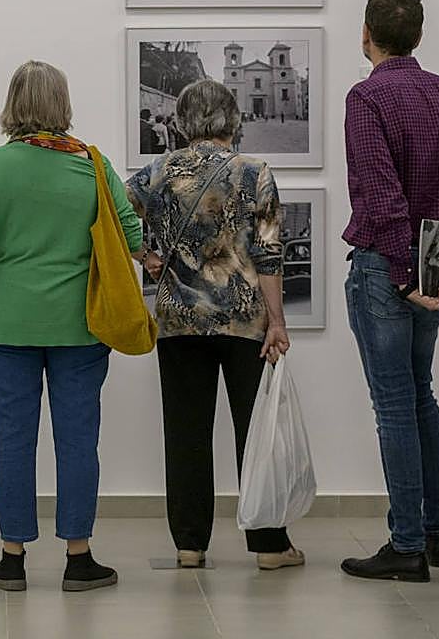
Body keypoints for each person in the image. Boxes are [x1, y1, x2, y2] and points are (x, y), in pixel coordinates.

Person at [0, 61, 144, 593]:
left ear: (12, 103)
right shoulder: (93, 163)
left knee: (12, 438)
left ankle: (12, 558)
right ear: (63, 104)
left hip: (7, 323)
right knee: (79, 439)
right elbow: (130, 233)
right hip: (81, 326)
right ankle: (78, 557)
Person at [340, 0, 439, 583]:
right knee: (422, 394)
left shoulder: (367, 98)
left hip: (387, 271)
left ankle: (406, 545)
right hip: (433, 273)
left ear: (366, 35)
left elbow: (381, 198)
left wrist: (405, 279)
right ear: (419, 36)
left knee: (396, 405)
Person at [126, 79, 305, 573]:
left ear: (181, 123)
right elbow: (270, 254)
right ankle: (269, 545)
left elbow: (115, 217)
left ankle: (189, 544)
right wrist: (278, 323)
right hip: (245, 321)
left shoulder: (159, 172)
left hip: (180, 320)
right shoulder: (254, 172)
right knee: (257, 433)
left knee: (185, 432)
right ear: (234, 120)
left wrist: (148, 255)